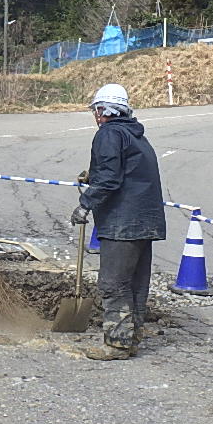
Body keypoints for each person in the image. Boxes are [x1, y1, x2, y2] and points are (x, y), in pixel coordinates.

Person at [71, 83, 166, 360]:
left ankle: (116, 344)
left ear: (103, 111)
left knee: (113, 283)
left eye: (96, 110)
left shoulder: (109, 134)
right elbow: (126, 170)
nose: (96, 116)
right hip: (145, 222)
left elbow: (111, 177)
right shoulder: (135, 135)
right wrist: (94, 174)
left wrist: (85, 204)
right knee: (135, 283)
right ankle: (132, 338)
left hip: (123, 223)